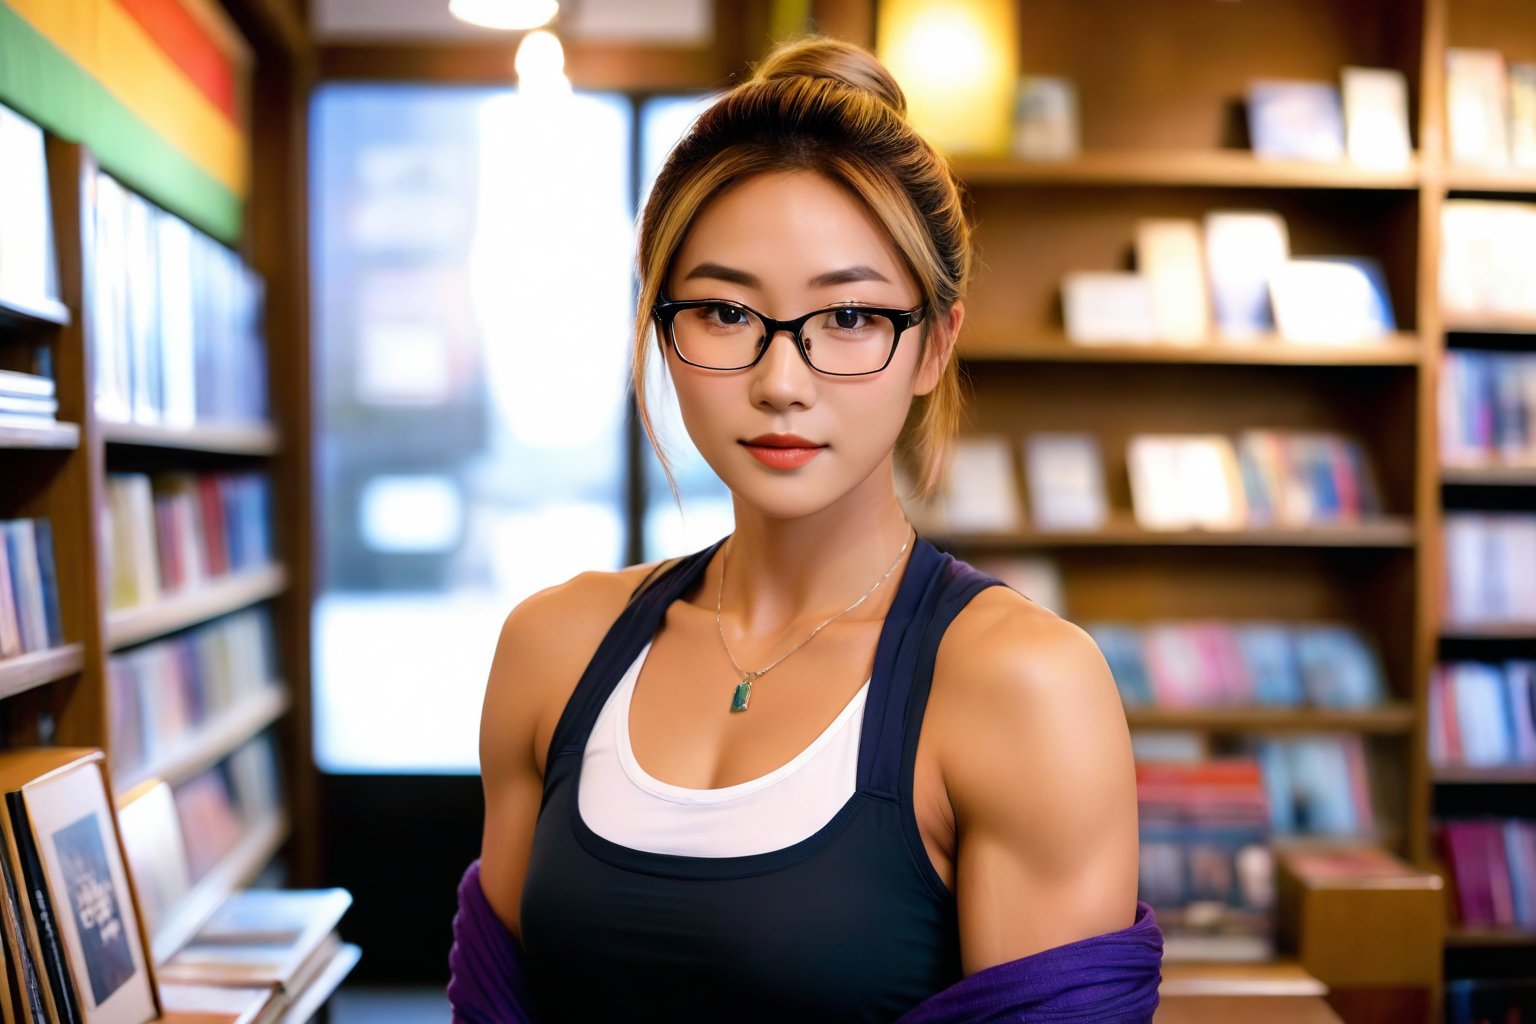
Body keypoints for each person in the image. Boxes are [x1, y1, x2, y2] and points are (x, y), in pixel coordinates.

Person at [449, 35, 1162, 1024]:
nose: (781, 381)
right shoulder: (551, 648)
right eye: (726, 312)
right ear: (664, 329)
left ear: (933, 345)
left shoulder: (1024, 689)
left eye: (851, 319)